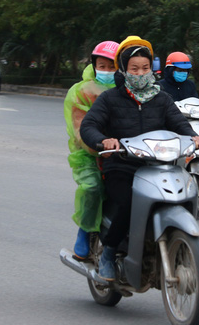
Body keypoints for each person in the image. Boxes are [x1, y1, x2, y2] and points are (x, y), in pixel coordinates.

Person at [80, 36, 199, 281]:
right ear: (124, 69)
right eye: (134, 69)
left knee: (186, 193)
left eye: (145, 68)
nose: (140, 73)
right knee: (128, 203)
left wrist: (193, 136)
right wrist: (104, 140)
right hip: (121, 166)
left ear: (152, 69)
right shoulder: (110, 99)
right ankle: (110, 250)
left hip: (159, 166)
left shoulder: (161, 99)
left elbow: (179, 123)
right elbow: (89, 125)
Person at [63, 40, 119, 261]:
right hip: (90, 154)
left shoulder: (130, 88)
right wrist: (99, 143)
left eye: (112, 67)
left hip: (127, 151)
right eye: (102, 66)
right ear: (94, 65)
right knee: (92, 187)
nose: (106, 71)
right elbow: (81, 129)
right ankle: (85, 231)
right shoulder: (81, 92)